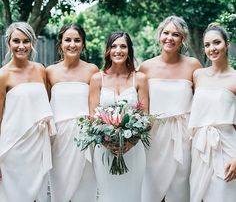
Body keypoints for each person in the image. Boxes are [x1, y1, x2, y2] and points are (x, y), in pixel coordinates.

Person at [140, 15, 202, 202]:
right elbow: (141, 105)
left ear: (183, 39)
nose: (170, 38)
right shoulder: (146, 67)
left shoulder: (193, 65)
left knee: (181, 185)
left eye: (176, 34)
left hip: (183, 135)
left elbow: (202, 100)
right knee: (151, 185)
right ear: (159, 35)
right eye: (166, 33)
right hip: (154, 135)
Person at [89, 31, 148, 202]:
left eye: (123, 46)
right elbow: (93, 117)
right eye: (114, 46)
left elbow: (145, 117)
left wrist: (129, 143)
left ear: (129, 50)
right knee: (107, 196)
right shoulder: (96, 79)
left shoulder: (140, 79)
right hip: (104, 151)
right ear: (108, 50)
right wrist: (108, 143)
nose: (118, 50)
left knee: (133, 196)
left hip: (134, 150)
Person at [0, 22, 56, 202]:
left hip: (38, 144)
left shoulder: (40, 69)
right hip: (13, 146)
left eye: (26, 41)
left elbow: (45, 103)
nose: (21, 46)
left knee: (38, 194)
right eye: (16, 41)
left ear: (32, 43)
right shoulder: (3, 75)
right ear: (8, 43)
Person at [46, 23, 98, 202]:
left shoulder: (92, 70)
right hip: (58, 139)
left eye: (77, 40)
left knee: (85, 188)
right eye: (67, 40)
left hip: (85, 138)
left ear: (83, 44)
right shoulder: (50, 72)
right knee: (60, 188)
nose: (72, 44)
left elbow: (95, 108)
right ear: (60, 43)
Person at [188, 23, 236, 202]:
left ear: (227, 44)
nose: (212, 48)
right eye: (207, 45)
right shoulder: (198, 75)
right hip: (199, 147)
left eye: (217, 43)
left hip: (227, 147)